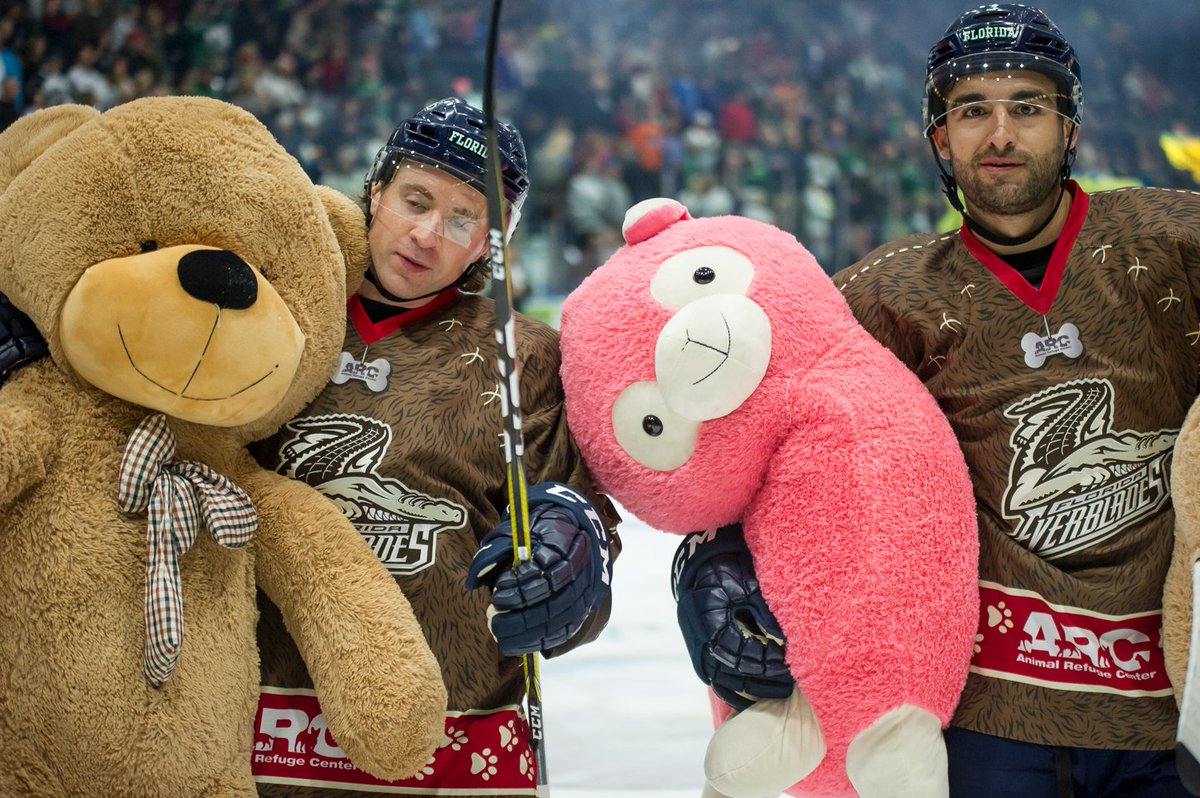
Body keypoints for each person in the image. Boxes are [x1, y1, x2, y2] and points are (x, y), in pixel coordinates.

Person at [675, 5, 1200, 797]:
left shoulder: (1171, 243)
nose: (999, 133)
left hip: (1176, 714)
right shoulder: (886, 294)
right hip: (990, 721)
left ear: (1069, 129)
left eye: (1027, 107)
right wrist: (709, 570)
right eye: (972, 110)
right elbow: (748, 444)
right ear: (938, 138)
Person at [251, 96, 618, 797]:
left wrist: (570, 560)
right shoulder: (281, 317)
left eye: (462, 219)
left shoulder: (527, 359)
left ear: (492, 240)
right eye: (415, 200)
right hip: (262, 744)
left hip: (457, 752)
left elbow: (587, 549)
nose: (427, 234)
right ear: (376, 189)